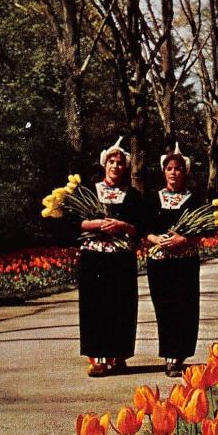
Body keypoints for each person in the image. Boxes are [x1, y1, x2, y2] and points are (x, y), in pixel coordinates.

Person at [79, 137, 143, 377]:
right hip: (94, 258)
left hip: (121, 259)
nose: (115, 166)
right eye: (112, 162)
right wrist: (97, 223)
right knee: (96, 307)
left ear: (125, 167)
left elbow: (140, 227)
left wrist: (123, 226)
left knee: (121, 307)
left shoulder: (133, 195)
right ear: (104, 164)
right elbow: (76, 223)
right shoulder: (89, 192)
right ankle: (98, 357)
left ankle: (118, 356)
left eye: (120, 163)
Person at [145, 144, 201, 377]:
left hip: (185, 262)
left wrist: (184, 239)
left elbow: (204, 230)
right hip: (159, 263)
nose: (173, 172)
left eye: (178, 168)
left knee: (185, 307)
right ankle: (168, 355)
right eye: (169, 168)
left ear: (185, 172)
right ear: (163, 171)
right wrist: (156, 239)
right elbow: (144, 230)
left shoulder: (195, 199)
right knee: (165, 309)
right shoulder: (152, 199)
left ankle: (179, 355)